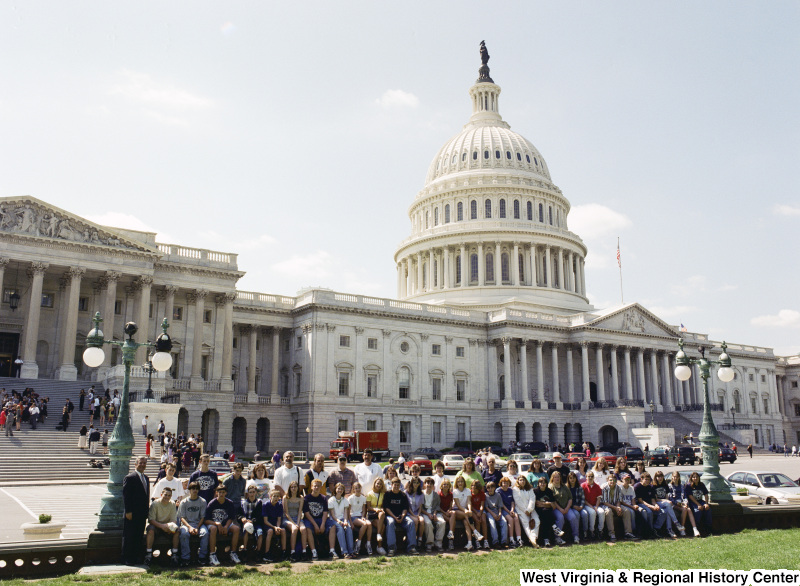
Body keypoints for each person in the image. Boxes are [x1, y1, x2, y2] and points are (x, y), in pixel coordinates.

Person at [122, 456, 150, 565]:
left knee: (138, 535)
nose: (142, 465)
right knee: (129, 536)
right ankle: (127, 558)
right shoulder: (130, 478)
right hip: (132, 513)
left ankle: (136, 557)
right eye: (140, 463)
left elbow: (146, 496)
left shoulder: (146, 478)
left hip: (142, 513)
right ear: (135, 464)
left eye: (144, 463)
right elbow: (126, 496)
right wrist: (128, 511)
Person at [204, 485, 241, 566]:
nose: (221, 494)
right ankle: (212, 554)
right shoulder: (212, 503)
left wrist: (226, 527)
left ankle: (233, 552)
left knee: (236, 529)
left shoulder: (229, 503)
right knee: (213, 529)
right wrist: (216, 524)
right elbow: (206, 520)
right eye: (219, 492)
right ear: (216, 493)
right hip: (213, 524)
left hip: (225, 524)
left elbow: (231, 518)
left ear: (226, 493)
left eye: (223, 492)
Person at [144, 487, 180, 566]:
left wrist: (169, 527)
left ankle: (174, 554)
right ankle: (148, 554)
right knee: (150, 530)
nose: (167, 497)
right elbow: (151, 520)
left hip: (167, 526)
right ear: (161, 495)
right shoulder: (155, 504)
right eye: (165, 495)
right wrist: (162, 526)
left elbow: (174, 520)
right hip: (156, 525)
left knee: (177, 530)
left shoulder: (172, 504)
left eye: (169, 495)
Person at [303, 479, 337, 560]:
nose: (316, 487)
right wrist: (315, 525)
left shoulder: (324, 498)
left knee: (333, 526)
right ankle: (313, 551)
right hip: (311, 520)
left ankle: (332, 550)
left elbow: (325, 512)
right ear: (311, 487)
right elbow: (307, 514)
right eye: (315, 486)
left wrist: (322, 524)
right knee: (307, 528)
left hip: (321, 519)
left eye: (318, 486)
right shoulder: (306, 499)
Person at [383, 477, 418, 556]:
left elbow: (405, 508)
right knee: (391, 522)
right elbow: (386, 508)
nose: (396, 487)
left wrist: (402, 516)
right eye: (394, 485)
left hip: (401, 516)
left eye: (398, 485)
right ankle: (391, 548)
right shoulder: (387, 494)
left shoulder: (403, 495)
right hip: (390, 516)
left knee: (410, 522)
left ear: (400, 485)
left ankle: (411, 547)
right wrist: (395, 517)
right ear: (391, 485)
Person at [178, 482, 210, 566]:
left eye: (196, 489)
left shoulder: (202, 501)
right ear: (189, 490)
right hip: (186, 524)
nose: (195, 490)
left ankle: (202, 557)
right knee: (184, 534)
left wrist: (197, 527)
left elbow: (202, 517)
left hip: (199, 523)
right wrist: (189, 527)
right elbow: (182, 517)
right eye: (193, 489)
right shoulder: (184, 502)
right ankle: (185, 558)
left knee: (205, 533)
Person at [598, 475, 634, 541]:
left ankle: (628, 532)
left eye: (614, 480)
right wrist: (615, 508)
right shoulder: (604, 488)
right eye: (610, 480)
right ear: (608, 481)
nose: (612, 482)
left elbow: (619, 500)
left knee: (626, 511)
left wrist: (618, 507)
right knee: (608, 512)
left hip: (615, 505)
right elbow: (605, 502)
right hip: (607, 506)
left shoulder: (618, 488)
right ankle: (611, 533)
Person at [282, 480, 309, 562]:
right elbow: (286, 513)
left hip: (297, 518)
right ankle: (292, 552)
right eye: (292, 487)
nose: (293, 489)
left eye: (295, 487)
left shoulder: (301, 498)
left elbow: (300, 511)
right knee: (294, 529)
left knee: (303, 529)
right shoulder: (285, 498)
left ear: (298, 488)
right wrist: (294, 524)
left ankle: (304, 552)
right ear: (290, 488)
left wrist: (297, 522)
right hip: (287, 519)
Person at [634, 472, 667, 538]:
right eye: (646, 479)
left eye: (648, 479)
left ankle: (656, 528)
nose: (647, 481)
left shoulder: (651, 487)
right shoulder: (637, 486)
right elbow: (640, 500)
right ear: (641, 479)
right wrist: (651, 506)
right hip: (641, 504)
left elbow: (653, 500)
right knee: (649, 512)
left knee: (663, 512)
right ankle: (649, 531)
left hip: (650, 504)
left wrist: (656, 505)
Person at [549, 471, 577, 545]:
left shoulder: (564, 486)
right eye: (555, 477)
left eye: (558, 477)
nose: (557, 478)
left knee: (573, 517)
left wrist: (567, 508)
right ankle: (557, 538)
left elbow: (570, 498)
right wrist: (560, 509)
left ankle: (576, 536)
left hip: (566, 508)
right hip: (556, 509)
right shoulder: (550, 487)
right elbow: (553, 501)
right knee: (560, 518)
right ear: (552, 478)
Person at [259, 489, 286, 563]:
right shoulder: (266, 505)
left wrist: (277, 527)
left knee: (283, 530)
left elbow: (279, 519)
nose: (276, 498)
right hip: (268, 525)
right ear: (270, 497)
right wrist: (274, 527)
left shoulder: (280, 505)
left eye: (277, 496)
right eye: (274, 496)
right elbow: (265, 521)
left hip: (276, 524)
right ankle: (267, 553)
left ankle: (284, 552)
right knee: (270, 531)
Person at [652, 470, 682, 537]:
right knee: (668, 505)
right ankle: (676, 522)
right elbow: (656, 499)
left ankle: (669, 530)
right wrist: (666, 501)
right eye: (658, 477)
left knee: (668, 511)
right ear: (656, 478)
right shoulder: (653, 486)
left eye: (661, 476)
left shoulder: (665, 485)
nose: (660, 478)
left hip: (665, 503)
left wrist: (666, 501)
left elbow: (667, 496)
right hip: (658, 503)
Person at [328, 482, 354, 559]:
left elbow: (346, 513)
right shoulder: (331, 500)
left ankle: (351, 551)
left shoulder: (345, 500)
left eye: (341, 489)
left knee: (348, 528)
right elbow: (332, 515)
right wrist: (339, 521)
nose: (340, 490)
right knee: (340, 529)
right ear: (335, 489)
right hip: (334, 520)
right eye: (338, 488)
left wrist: (345, 521)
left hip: (343, 519)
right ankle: (344, 552)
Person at [512, 475, 539, 547]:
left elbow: (532, 499)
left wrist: (529, 510)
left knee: (537, 521)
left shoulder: (529, 489)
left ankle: (533, 538)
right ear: (518, 481)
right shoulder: (515, 489)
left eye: (523, 480)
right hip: (521, 510)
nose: (522, 481)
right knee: (526, 524)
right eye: (520, 480)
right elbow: (518, 501)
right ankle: (533, 541)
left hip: (531, 509)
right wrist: (525, 510)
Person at [668, 471, 697, 536]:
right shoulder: (669, 486)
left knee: (688, 509)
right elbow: (670, 498)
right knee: (685, 509)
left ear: (679, 478)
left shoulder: (682, 486)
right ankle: (682, 529)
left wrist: (685, 503)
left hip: (682, 504)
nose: (675, 478)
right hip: (674, 505)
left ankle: (694, 528)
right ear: (672, 477)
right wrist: (678, 503)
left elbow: (685, 497)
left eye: (677, 477)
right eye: (674, 477)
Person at [420, 477, 444, 552]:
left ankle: (438, 543)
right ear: (425, 484)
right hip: (425, 513)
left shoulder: (436, 495)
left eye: (431, 483)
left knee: (442, 522)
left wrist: (434, 514)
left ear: (433, 485)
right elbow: (420, 508)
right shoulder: (421, 494)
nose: (429, 485)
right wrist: (428, 514)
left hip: (434, 512)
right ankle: (429, 544)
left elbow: (437, 506)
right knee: (428, 523)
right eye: (428, 483)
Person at [349, 481, 372, 555]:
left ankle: (368, 544)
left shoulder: (363, 498)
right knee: (364, 524)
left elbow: (364, 510)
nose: (357, 489)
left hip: (360, 516)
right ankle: (358, 543)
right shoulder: (351, 498)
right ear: (353, 489)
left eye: (359, 488)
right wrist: (350, 522)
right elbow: (348, 512)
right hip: (353, 517)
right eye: (356, 488)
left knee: (369, 523)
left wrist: (363, 517)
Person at [581, 470, 605, 541]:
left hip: (595, 505)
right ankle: (591, 531)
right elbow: (583, 499)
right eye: (589, 476)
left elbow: (598, 498)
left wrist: (596, 506)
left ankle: (600, 530)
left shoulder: (597, 486)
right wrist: (591, 506)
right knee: (592, 513)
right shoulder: (583, 485)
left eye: (591, 476)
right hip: (587, 505)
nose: (590, 478)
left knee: (601, 512)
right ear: (586, 477)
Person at [497, 476, 521, 547]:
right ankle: (511, 539)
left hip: (511, 509)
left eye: (507, 483)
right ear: (501, 483)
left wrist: (512, 510)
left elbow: (512, 502)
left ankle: (519, 539)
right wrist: (508, 512)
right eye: (504, 483)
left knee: (516, 518)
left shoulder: (510, 490)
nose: (505, 485)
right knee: (510, 519)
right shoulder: (498, 491)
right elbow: (502, 504)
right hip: (503, 509)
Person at [685, 471, 711, 536]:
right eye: (694, 477)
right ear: (691, 478)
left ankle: (708, 529)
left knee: (708, 510)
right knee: (697, 511)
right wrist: (698, 504)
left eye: (697, 477)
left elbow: (706, 494)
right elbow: (690, 497)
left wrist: (706, 503)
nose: (695, 478)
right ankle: (697, 529)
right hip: (692, 502)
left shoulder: (701, 485)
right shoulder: (688, 486)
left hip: (700, 501)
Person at [366, 477, 387, 555]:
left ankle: (379, 542)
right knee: (382, 526)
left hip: (380, 515)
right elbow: (368, 507)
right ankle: (379, 546)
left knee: (382, 515)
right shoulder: (370, 494)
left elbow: (383, 505)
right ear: (374, 484)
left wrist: (381, 509)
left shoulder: (383, 494)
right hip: (372, 515)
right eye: (377, 483)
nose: (378, 485)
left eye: (380, 484)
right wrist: (375, 509)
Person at [468, 479, 490, 549]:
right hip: (473, 510)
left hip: (480, 510)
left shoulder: (481, 494)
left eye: (475, 488)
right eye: (472, 487)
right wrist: (476, 513)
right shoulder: (470, 493)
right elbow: (470, 506)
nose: (473, 489)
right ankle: (477, 541)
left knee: (483, 520)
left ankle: (485, 541)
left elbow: (482, 505)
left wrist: (480, 512)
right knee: (477, 521)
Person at [405, 476, 425, 546]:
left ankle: (420, 538)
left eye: (417, 483)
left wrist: (418, 515)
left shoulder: (421, 494)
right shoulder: (407, 493)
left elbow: (420, 507)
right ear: (411, 483)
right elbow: (407, 506)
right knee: (416, 521)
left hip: (417, 512)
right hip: (409, 513)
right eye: (414, 482)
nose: (416, 484)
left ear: (419, 484)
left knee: (422, 521)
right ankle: (412, 539)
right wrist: (413, 515)